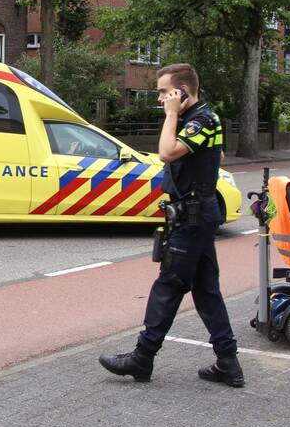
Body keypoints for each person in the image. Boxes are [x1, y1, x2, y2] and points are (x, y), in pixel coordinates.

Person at [99, 63, 244, 387]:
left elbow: (165, 153)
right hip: (196, 214)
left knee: (168, 285)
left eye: (165, 92)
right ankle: (228, 362)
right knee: (206, 290)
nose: (160, 98)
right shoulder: (200, 120)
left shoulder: (201, 119)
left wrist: (171, 114)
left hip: (193, 218)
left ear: (183, 91)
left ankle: (142, 357)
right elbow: (216, 157)